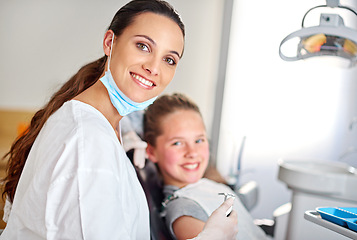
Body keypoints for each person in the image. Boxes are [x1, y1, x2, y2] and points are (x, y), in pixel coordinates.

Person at [0, 1, 238, 239]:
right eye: (143, 46)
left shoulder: (106, 126)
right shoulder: (88, 139)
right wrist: (212, 236)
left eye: (169, 60)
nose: (154, 68)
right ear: (109, 42)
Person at [144, 93, 267, 240]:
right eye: (177, 143)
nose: (192, 153)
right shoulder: (184, 210)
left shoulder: (205, 186)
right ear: (151, 151)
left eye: (199, 140)